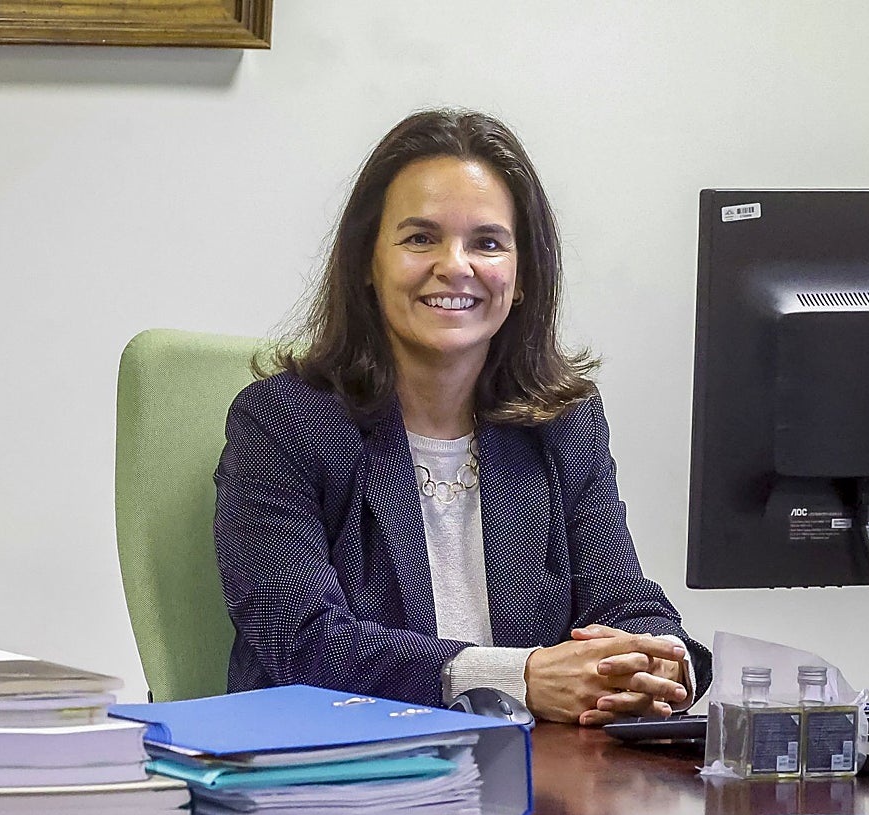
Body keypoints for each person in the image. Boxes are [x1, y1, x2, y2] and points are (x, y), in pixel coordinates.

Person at [213, 108, 712, 726]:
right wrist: (516, 679)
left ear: (523, 275)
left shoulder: (560, 422)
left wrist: (657, 667)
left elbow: (624, 601)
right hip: (347, 776)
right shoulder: (284, 422)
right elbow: (303, 640)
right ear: (368, 263)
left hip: (541, 778)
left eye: (488, 242)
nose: (455, 265)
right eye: (420, 238)